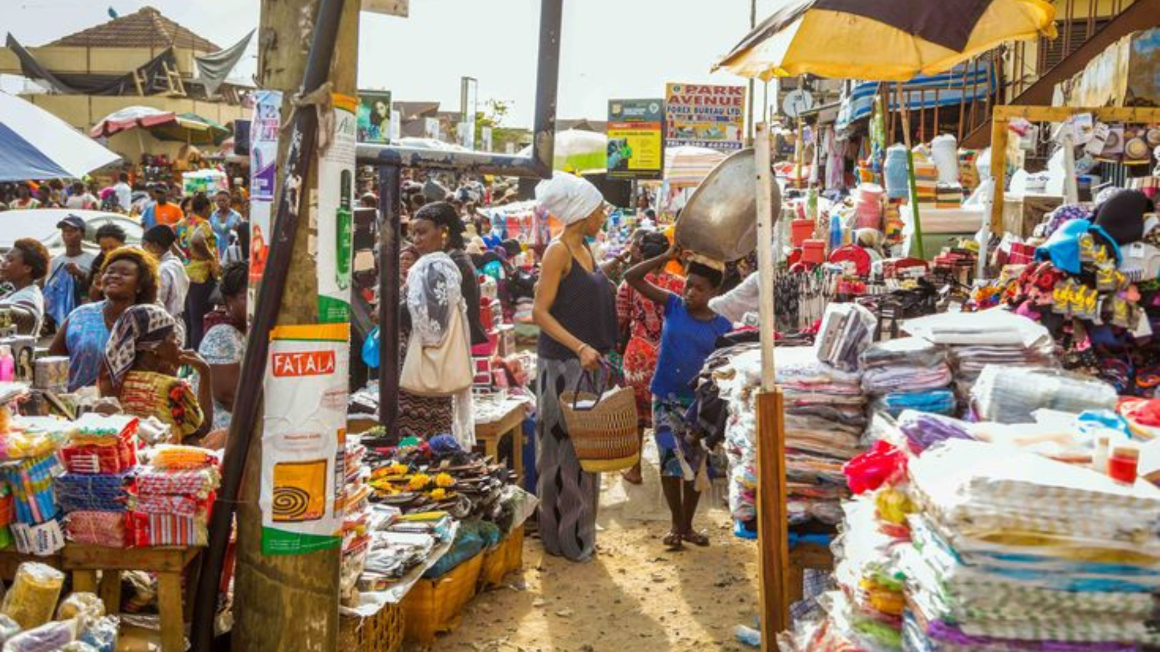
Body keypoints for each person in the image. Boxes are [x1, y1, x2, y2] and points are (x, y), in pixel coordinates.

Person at [531, 173, 619, 562]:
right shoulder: (558, 252)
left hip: (587, 365)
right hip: (563, 366)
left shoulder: (586, 249)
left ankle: (581, 534)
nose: (604, 215)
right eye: (600, 209)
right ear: (583, 213)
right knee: (561, 455)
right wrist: (580, 346)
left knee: (587, 453)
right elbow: (539, 312)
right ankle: (562, 539)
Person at [625, 246, 731, 550]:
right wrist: (667, 255)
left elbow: (722, 369)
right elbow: (632, 277)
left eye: (699, 288)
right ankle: (675, 525)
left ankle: (688, 526)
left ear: (714, 291)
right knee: (669, 462)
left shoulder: (722, 327)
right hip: (665, 397)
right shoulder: (672, 305)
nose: (690, 292)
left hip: (698, 406)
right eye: (688, 284)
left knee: (696, 464)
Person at [616, 231, 684, 485]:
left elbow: (620, 321)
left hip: (638, 355)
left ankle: (634, 469)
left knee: (636, 416)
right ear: (668, 258)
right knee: (669, 413)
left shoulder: (629, 284)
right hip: (670, 356)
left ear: (642, 255)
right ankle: (673, 470)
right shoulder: (680, 284)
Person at [101, 304, 214, 445]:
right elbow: (202, 428)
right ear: (154, 348)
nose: (178, 345)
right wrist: (205, 373)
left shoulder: (115, 383)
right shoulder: (173, 388)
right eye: (174, 339)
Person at [50, 247, 159, 392]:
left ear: (140, 285)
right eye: (110, 271)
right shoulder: (80, 315)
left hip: (131, 408)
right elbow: (54, 359)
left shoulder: (151, 321)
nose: (114, 276)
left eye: (125, 273)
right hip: (78, 408)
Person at [409, 202, 488, 346]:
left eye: (422, 232)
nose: (416, 240)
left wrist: (388, 312)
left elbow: (425, 308)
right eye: (414, 233)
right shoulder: (453, 259)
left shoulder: (447, 265)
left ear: (444, 231)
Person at [197, 262, 247, 432]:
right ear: (229, 301)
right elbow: (229, 397)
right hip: (225, 431)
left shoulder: (249, 330)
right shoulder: (223, 335)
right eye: (247, 296)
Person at [176, 193, 220, 350]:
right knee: (199, 320)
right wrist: (210, 257)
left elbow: (170, 237)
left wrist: (182, 255)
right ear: (206, 208)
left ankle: (186, 357)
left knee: (188, 319)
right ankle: (197, 357)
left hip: (185, 273)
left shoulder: (182, 223)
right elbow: (197, 239)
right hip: (201, 276)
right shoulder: (204, 224)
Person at [45, 215, 96, 325]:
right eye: (65, 231)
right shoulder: (56, 262)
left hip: (85, 313)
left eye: (73, 230)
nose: (68, 233)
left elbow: (97, 287)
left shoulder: (92, 260)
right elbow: (51, 289)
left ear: (82, 234)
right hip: (62, 313)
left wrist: (81, 274)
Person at [0, 239, 49, 336]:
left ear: (27, 268)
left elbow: (14, 318)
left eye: (10, 260)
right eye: (4, 258)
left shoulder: (29, 297)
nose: (3, 263)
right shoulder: (12, 293)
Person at [142, 225, 190, 322]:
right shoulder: (176, 263)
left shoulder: (163, 269)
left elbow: (157, 301)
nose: (143, 250)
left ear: (155, 245)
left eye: (145, 245)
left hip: (165, 323)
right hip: (177, 320)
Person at [87, 224, 128, 302]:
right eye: (104, 249)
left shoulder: (136, 260)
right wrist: (96, 286)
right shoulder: (98, 264)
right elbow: (93, 298)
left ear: (122, 244)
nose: (109, 253)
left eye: (112, 248)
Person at [210, 190, 243, 261]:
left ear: (229, 201)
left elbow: (242, 233)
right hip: (216, 251)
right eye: (219, 200)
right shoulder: (212, 216)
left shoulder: (236, 216)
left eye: (224, 200)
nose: (221, 203)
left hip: (231, 251)